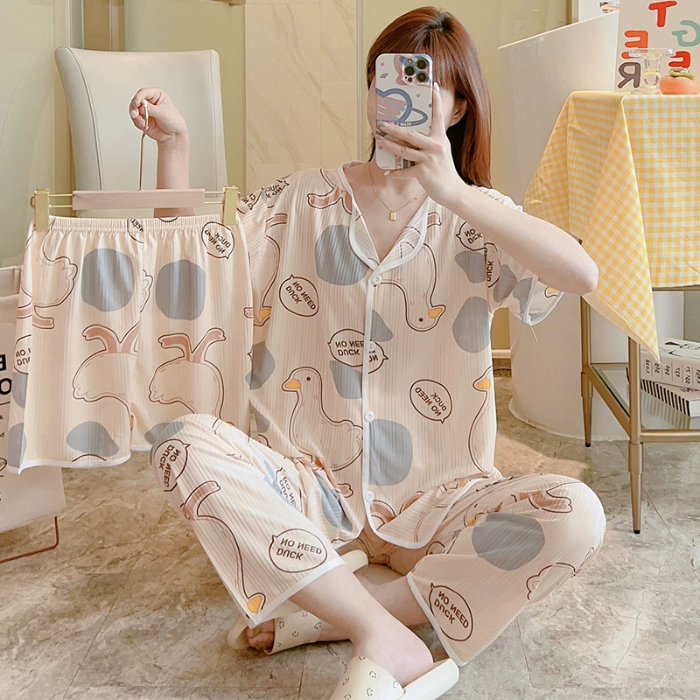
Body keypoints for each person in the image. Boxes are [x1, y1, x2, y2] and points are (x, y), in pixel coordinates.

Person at [129, 7, 605, 699]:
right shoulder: (302, 200)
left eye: (425, 83)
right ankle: (382, 626)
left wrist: (454, 192)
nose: (400, 96)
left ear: (459, 106)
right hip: (309, 494)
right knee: (181, 443)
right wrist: (175, 145)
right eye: (388, 79)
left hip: (443, 500)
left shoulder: (480, 216)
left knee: (577, 513)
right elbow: (187, 265)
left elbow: (582, 275)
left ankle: (348, 614)